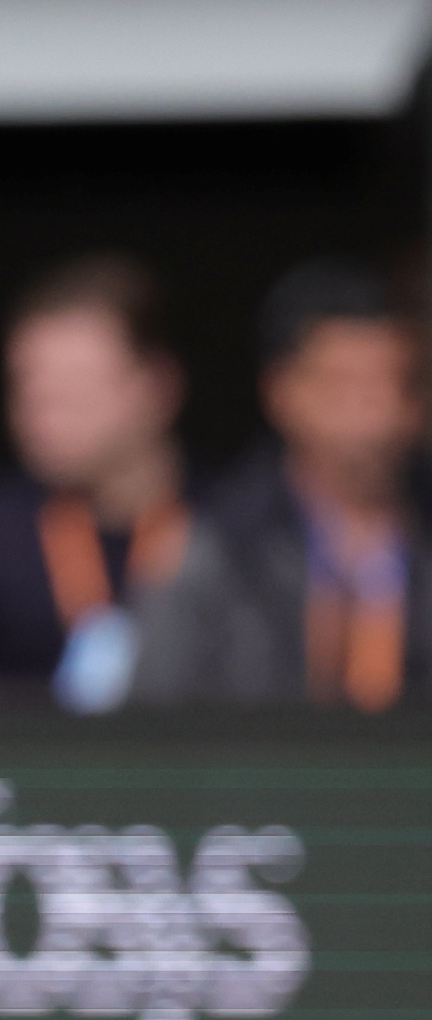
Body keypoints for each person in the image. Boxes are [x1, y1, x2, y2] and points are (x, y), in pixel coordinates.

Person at [131, 260, 431, 708]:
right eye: (345, 387)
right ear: (281, 391)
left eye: (401, 385)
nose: (378, 417)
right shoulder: (213, 553)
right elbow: (150, 733)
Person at [0, 255, 190, 713]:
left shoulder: (231, 527)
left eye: (74, 387)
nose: (41, 413)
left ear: (155, 386)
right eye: (28, 387)